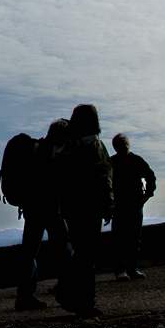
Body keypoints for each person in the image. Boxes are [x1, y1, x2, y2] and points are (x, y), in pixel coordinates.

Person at [55, 104, 113, 317]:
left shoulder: (66, 145)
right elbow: (104, 176)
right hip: (91, 205)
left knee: (81, 251)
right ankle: (84, 301)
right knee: (87, 255)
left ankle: (72, 294)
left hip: (71, 206)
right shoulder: (94, 144)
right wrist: (109, 203)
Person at [15, 118, 70, 311]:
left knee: (29, 251)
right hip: (50, 209)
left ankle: (24, 296)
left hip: (32, 208)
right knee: (64, 248)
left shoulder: (35, 148)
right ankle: (67, 292)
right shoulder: (52, 152)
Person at [109, 134, 156, 280]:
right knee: (121, 238)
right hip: (120, 205)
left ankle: (131, 268)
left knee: (133, 237)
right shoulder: (113, 162)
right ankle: (122, 270)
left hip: (134, 204)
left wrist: (147, 194)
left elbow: (150, 176)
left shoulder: (134, 160)